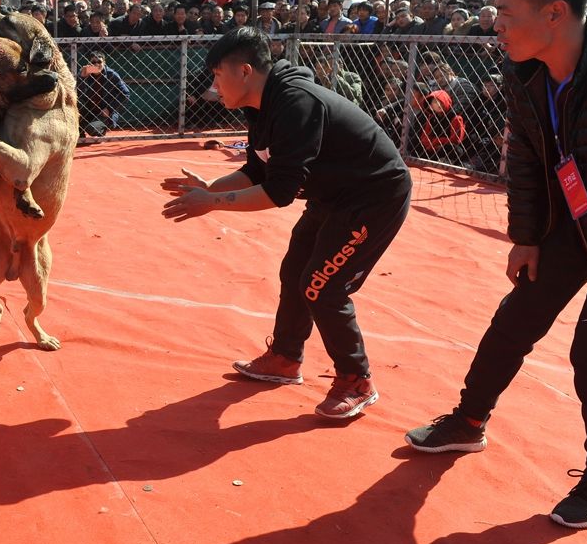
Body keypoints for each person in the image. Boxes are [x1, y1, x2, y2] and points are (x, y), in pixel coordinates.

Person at [404, 0, 587, 529]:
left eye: (507, 13)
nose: (496, 24)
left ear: (555, 14)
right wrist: (526, 235)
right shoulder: (525, 73)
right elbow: (524, 158)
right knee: (515, 320)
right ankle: (468, 423)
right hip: (570, 223)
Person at [162, 26, 411, 419]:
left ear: (244, 71)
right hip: (333, 196)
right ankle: (285, 358)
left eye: (215, 74)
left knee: (322, 286)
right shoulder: (261, 104)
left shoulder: (295, 103)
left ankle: (356, 380)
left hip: (373, 197)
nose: (213, 85)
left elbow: (278, 193)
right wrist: (211, 187)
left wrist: (212, 202)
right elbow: (258, 170)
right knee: (295, 269)